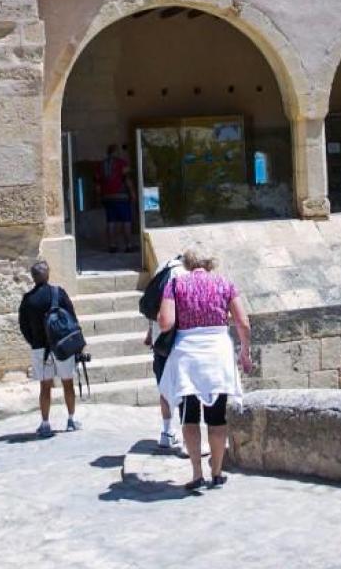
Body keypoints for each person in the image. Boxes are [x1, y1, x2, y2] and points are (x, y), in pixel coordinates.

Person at [156, 249, 252, 492]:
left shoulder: (176, 284)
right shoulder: (224, 283)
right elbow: (243, 322)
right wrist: (244, 352)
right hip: (217, 353)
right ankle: (217, 472)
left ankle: (197, 472)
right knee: (217, 416)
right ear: (209, 264)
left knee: (190, 416)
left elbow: (165, 322)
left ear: (187, 265)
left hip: (188, 355)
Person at [18, 260, 80, 437]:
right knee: (68, 383)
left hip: (40, 348)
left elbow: (23, 326)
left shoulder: (28, 299)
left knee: (45, 387)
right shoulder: (58, 293)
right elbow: (72, 318)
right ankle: (71, 420)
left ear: (33, 277)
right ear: (48, 274)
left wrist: (34, 342)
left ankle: (45, 423)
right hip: (62, 346)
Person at [141, 253, 185, 449]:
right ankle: (187, 436)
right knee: (185, 388)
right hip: (178, 337)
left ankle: (166, 432)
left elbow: (152, 304)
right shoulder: (184, 274)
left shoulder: (162, 270)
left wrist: (150, 332)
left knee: (164, 385)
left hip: (160, 340)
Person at [98, 143, 134, 253]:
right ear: (116, 151)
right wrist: (132, 193)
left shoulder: (101, 165)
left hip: (107, 197)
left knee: (111, 222)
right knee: (126, 221)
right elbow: (127, 179)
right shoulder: (122, 163)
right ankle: (128, 245)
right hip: (121, 196)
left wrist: (99, 197)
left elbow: (97, 184)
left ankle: (112, 246)